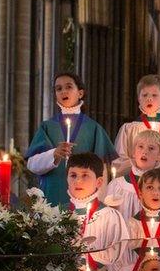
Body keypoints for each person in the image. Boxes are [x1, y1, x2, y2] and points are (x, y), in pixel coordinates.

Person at [26, 72, 116, 207]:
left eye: (68, 87)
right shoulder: (47, 126)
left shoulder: (93, 128)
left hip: (85, 198)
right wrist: (53, 154)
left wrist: (100, 202)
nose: (63, 92)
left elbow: (100, 170)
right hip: (52, 195)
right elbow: (32, 164)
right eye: (59, 89)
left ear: (80, 93)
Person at [104, 130, 160, 222]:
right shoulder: (117, 185)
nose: (144, 152)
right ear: (133, 152)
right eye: (140, 147)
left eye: (151, 148)